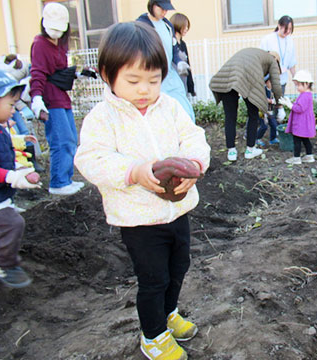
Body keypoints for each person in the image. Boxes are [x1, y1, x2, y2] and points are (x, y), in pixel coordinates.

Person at [74, 22, 210, 360]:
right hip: (138, 219)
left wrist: (195, 164)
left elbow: (193, 137)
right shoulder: (103, 118)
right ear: (108, 74)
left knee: (179, 267)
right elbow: (90, 160)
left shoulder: (170, 107)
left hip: (177, 209)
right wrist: (133, 171)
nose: (145, 90)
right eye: (133, 81)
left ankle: (167, 314)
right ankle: (153, 336)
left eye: (153, 80)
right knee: (153, 278)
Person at [0, 68, 41, 288]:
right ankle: (4, 264)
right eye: (10, 105)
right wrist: (14, 177)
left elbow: (3, 151)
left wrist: (18, 141)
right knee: (12, 224)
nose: (13, 110)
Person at [29, 2, 84, 195]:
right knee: (60, 140)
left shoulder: (61, 44)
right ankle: (58, 183)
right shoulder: (40, 44)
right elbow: (38, 73)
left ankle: (66, 178)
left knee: (70, 139)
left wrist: (78, 74)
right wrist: (36, 98)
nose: (55, 33)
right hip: (50, 99)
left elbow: (59, 72)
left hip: (62, 96)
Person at [209, 48, 282, 161]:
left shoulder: (256, 53)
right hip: (248, 78)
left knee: (230, 117)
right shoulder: (272, 60)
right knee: (253, 115)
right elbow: (276, 85)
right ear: (276, 61)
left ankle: (231, 152)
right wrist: (280, 105)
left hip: (227, 78)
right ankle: (250, 150)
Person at [137, 0, 195, 122]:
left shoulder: (167, 25)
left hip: (171, 75)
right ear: (153, 5)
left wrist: (179, 61)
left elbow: (174, 48)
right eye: (162, 8)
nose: (165, 12)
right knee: (160, 115)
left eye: (167, 9)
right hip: (153, 77)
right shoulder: (141, 25)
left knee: (185, 110)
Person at [260, 15, 296, 123]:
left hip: (282, 80)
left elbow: (292, 62)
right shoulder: (268, 39)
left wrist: (295, 77)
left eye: (290, 29)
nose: (288, 32)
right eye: (286, 29)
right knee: (267, 106)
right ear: (279, 26)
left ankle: (274, 134)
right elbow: (262, 60)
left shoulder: (290, 41)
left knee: (278, 104)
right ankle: (258, 131)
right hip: (269, 80)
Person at [280, 70, 316, 165]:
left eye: (299, 85)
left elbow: (300, 108)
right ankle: (309, 155)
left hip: (301, 123)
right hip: (303, 123)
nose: (297, 87)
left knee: (297, 140)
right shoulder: (306, 95)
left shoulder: (305, 96)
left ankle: (296, 158)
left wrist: (289, 105)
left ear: (307, 84)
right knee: (305, 139)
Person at [170, 13, 196, 98]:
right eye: (184, 26)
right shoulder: (170, 43)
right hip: (173, 83)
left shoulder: (183, 44)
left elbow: (188, 65)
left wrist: (191, 87)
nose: (186, 29)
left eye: (187, 26)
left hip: (183, 82)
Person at [255, 75, 279, 147]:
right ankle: (257, 138)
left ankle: (273, 138)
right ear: (267, 82)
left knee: (274, 125)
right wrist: (270, 101)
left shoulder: (273, 90)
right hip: (261, 111)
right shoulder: (263, 90)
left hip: (270, 111)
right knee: (264, 126)